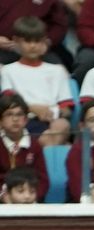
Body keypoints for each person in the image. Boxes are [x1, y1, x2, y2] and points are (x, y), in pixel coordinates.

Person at [0, 16, 73, 146]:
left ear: (44, 42)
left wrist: (52, 112)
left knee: (62, 124)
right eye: (27, 41)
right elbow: (9, 102)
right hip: (21, 120)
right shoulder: (8, 70)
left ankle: (38, 152)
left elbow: (66, 109)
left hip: (51, 121)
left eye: (37, 41)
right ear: (16, 41)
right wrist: (34, 109)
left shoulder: (57, 71)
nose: (33, 46)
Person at [0, 92, 46, 200]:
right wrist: (3, 196)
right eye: (9, 114)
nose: (15, 119)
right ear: (1, 121)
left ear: (26, 120)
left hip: (30, 200)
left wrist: (30, 197)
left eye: (19, 114)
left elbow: (43, 180)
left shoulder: (34, 146)